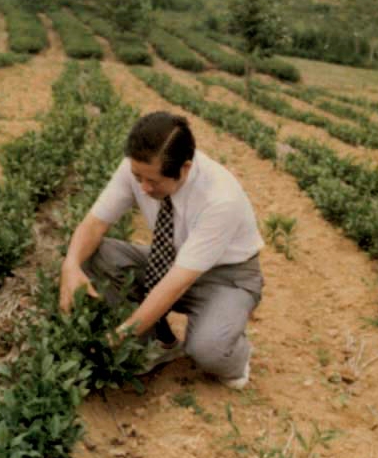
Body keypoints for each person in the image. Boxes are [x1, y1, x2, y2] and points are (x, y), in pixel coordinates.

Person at [59, 111, 264, 389]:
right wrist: (70, 267)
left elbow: (174, 286)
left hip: (225, 277)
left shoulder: (219, 199)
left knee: (208, 350)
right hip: (173, 260)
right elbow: (94, 225)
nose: (142, 188)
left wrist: (120, 337)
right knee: (92, 253)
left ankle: (235, 354)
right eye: (137, 177)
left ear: (185, 168)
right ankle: (157, 341)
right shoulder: (140, 167)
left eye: (153, 181)